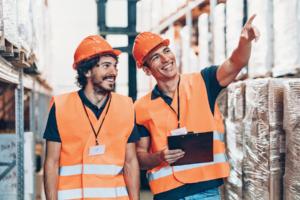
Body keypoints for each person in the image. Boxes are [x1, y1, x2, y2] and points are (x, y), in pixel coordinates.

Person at [133, 14, 260, 200]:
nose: (165, 59)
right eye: (155, 57)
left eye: (166, 51)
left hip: (206, 192)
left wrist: (245, 41)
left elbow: (235, 63)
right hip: (168, 194)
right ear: (146, 70)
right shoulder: (140, 107)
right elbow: (140, 157)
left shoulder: (203, 81)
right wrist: (159, 157)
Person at [43, 35, 140, 200]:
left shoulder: (126, 106)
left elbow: (130, 162)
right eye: (106, 66)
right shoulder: (61, 106)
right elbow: (51, 162)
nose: (113, 72)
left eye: (115, 66)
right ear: (86, 71)